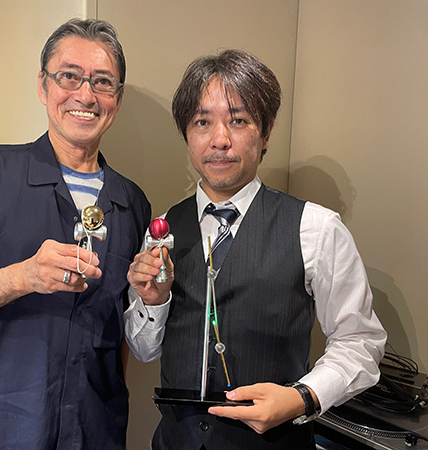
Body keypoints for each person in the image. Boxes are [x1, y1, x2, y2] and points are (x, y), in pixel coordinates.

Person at [124, 49, 386, 449]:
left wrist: (302, 398)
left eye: (239, 120)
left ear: (265, 132)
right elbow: (144, 351)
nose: (220, 140)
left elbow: (360, 341)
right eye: (202, 122)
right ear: (187, 135)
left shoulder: (317, 228)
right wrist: (154, 302)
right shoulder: (162, 229)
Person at [0, 18, 150, 450]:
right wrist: (21, 277)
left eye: (102, 82)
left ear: (116, 99)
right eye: (69, 76)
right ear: (43, 86)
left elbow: (121, 336)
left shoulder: (131, 203)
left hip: (93, 432)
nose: (85, 95)